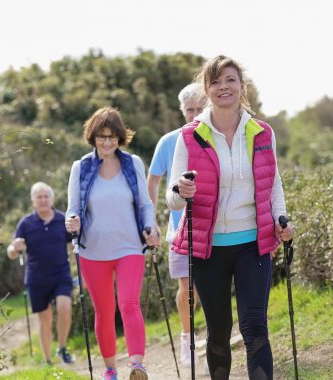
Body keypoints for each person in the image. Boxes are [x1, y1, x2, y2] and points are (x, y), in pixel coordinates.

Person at [166, 55, 295, 380]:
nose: (224, 87)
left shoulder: (262, 132)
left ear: (242, 86)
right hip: (209, 248)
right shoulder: (190, 135)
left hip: (253, 243)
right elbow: (172, 199)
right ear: (206, 89)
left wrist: (281, 219)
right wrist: (181, 190)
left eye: (231, 80)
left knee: (255, 328)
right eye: (216, 81)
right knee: (219, 331)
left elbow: (273, 182)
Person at [65, 106, 159, 380]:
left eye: (112, 137)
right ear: (93, 137)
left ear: (120, 137)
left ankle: (137, 366)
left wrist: (150, 228)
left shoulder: (133, 163)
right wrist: (72, 221)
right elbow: (72, 208)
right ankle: (110, 370)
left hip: (130, 245)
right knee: (104, 311)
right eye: (102, 137)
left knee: (129, 303)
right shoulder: (80, 167)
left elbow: (145, 203)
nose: (107, 142)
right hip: (93, 250)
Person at [147, 82, 207, 367]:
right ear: (182, 111)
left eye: (200, 108)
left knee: (210, 288)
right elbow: (154, 180)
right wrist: (151, 221)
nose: (195, 114)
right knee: (186, 286)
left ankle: (211, 338)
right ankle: (188, 339)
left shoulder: (217, 137)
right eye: (189, 110)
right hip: (179, 230)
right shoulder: (169, 140)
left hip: (213, 228)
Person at [7, 182, 74, 366]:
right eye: (39, 197)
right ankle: (47, 360)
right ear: (33, 201)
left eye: (46, 196)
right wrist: (14, 248)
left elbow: (75, 243)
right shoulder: (26, 223)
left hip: (61, 274)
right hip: (37, 278)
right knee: (45, 320)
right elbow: (12, 252)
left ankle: (62, 348)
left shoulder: (62, 220)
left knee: (65, 308)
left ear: (52, 199)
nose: (43, 200)